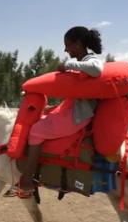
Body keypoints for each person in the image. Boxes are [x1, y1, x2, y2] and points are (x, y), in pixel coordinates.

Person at [18, 26, 104, 196]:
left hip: (77, 115)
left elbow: (97, 69)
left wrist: (68, 64)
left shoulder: (91, 59)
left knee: (35, 132)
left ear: (78, 44)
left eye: (67, 45)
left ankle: (27, 181)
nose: (65, 49)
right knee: (38, 119)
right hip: (71, 108)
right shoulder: (82, 60)